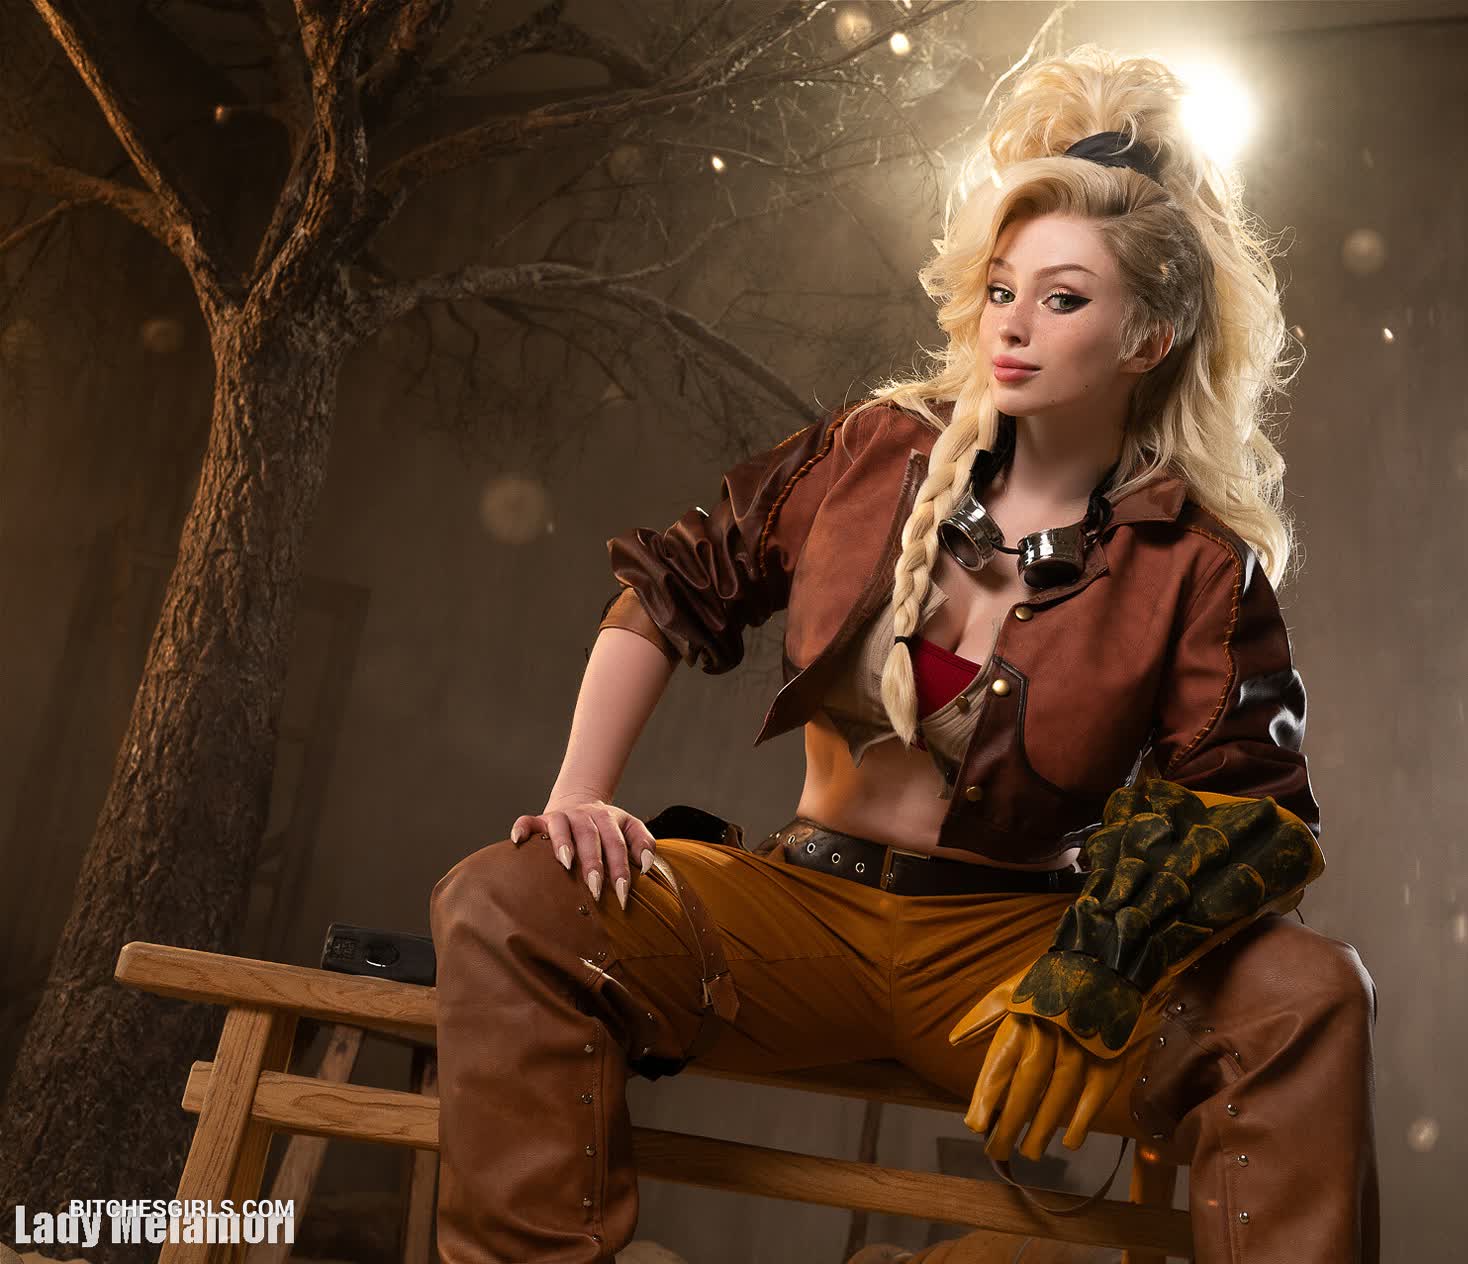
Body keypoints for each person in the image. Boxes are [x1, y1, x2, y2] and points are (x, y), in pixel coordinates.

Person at [429, 46, 1379, 1264]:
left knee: (1308, 994)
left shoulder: (1194, 560)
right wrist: (579, 794)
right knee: (507, 899)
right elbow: (672, 584)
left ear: (1148, 336)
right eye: (1000, 288)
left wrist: (1099, 967)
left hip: (1013, 959)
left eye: (1063, 299)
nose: (1014, 324)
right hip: (795, 913)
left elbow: (1251, 814)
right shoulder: (874, 449)